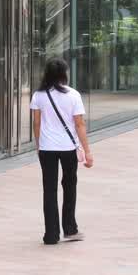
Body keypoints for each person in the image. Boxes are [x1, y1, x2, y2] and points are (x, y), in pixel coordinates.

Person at [31, 58, 93, 245]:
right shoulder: (73, 95)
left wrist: (38, 144)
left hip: (47, 148)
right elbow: (79, 124)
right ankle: (70, 229)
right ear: (63, 74)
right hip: (67, 148)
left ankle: (51, 235)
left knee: (49, 190)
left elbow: (36, 123)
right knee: (69, 187)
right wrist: (88, 151)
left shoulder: (38, 95)